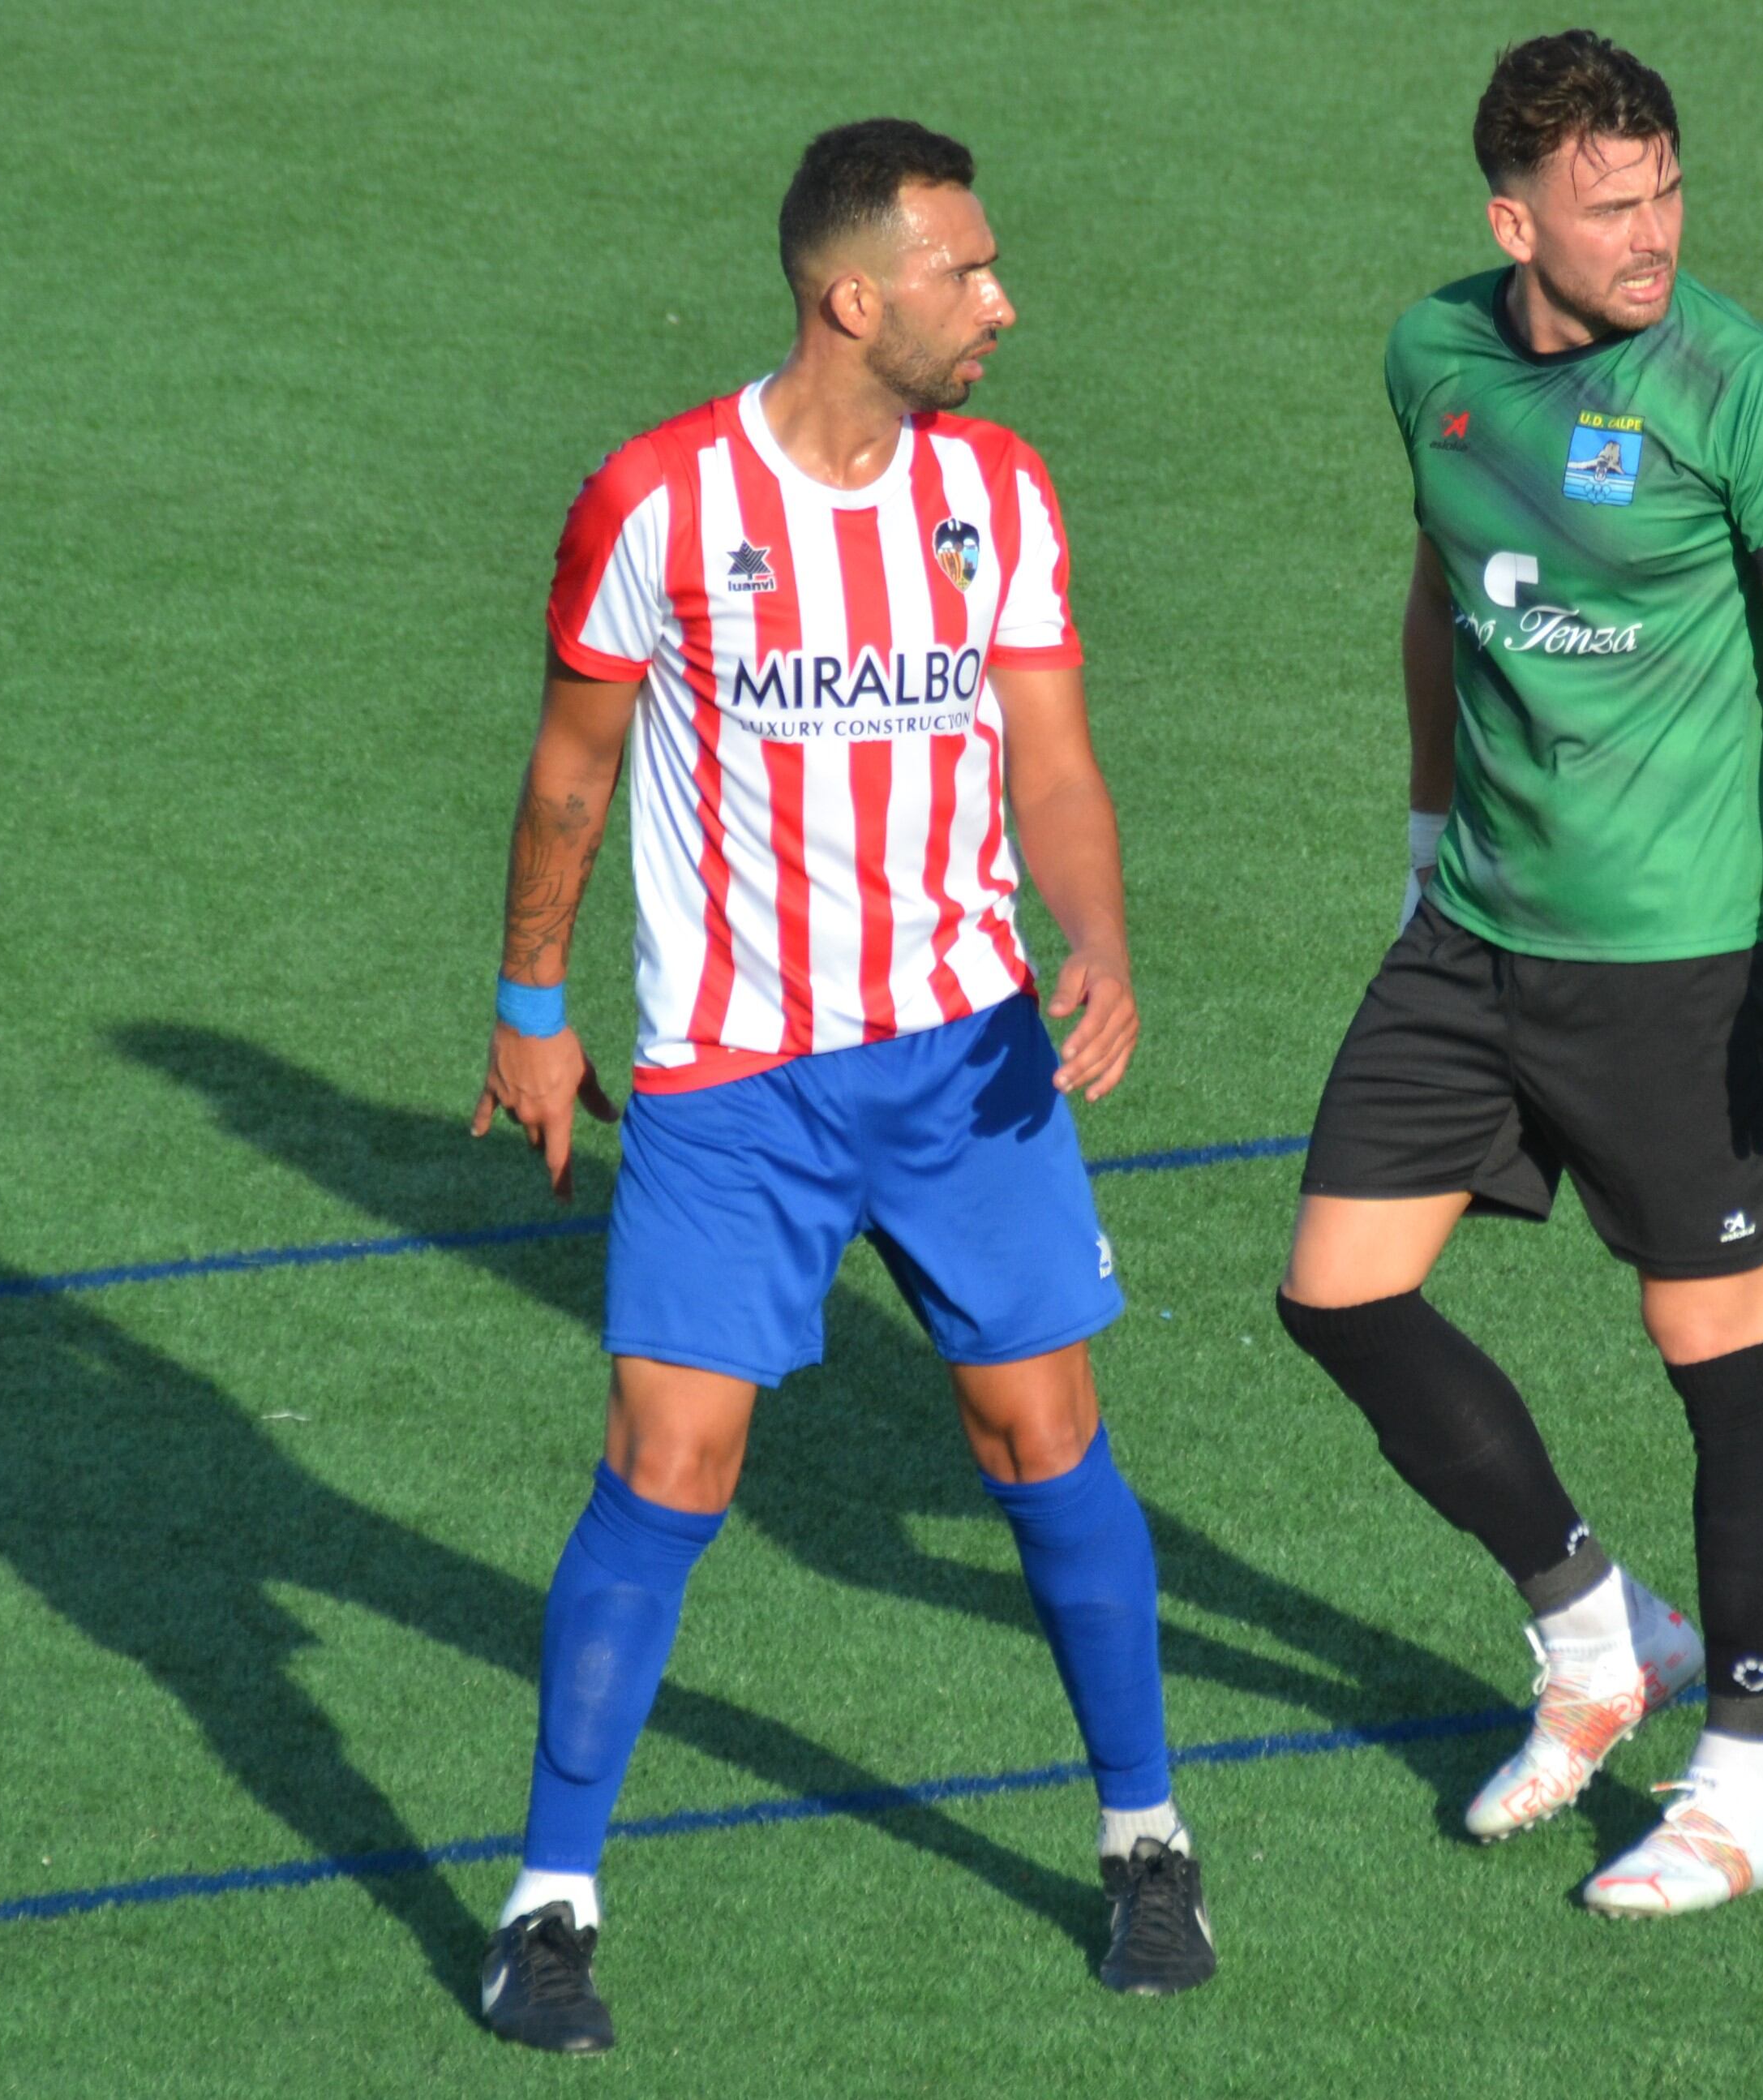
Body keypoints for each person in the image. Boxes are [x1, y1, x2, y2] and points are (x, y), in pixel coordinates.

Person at [466, 118, 1215, 2050]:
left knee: (1043, 1434)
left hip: (965, 1050)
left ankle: (1145, 1840)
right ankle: (549, 1897)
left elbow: (1051, 760)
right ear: (849, 295)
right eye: (967, 272)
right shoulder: (654, 499)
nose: (1003, 302)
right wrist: (528, 1005)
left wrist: (1099, 938)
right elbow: (571, 767)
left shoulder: (999, 493)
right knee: (667, 1459)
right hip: (732, 1082)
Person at [1274, 30, 1763, 1917]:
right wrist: (1412, 842)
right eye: (1607, 203)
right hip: (1469, 932)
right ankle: (1591, 1629)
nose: (1649, 232)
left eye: (1667, 192)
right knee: (1334, 1290)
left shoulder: (1743, 386)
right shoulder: (1431, 359)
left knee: (1714, 1358)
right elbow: (1440, 590)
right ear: (1511, 216)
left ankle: (1741, 1777)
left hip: (1671, 968)